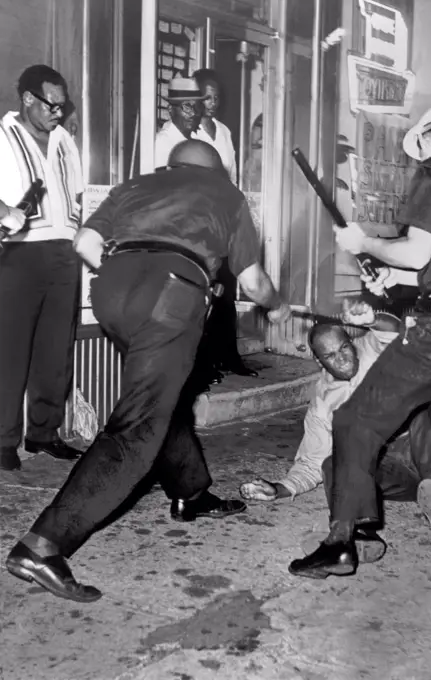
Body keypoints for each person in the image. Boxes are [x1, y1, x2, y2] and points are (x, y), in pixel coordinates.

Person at [5, 139, 291, 603]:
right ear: (216, 171)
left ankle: (191, 492)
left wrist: (129, 277)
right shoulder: (226, 194)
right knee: (138, 425)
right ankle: (44, 545)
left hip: (111, 291)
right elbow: (255, 282)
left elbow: (85, 242)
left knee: (160, 397)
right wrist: (278, 309)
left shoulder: (134, 186)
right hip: (170, 296)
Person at [289, 104, 431, 579]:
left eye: (419, 149)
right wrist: (391, 274)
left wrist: (365, 244)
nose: (418, 158)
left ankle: (343, 541)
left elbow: (419, 250)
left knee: (355, 419)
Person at [240, 308, 431, 558]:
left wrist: (373, 319)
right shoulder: (322, 403)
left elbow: (393, 331)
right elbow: (313, 462)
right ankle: (360, 534)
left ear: (351, 342)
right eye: (331, 355)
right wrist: (279, 489)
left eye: (345, 348)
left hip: (419, 449)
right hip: (394, 472)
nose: (343, 359)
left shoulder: (371, 349)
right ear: (318, 361)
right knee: (333, 462)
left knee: (424, 416)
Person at [0, 65, 83, 472]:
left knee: (55, 351)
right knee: (9, 352)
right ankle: (2, 440)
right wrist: (7, 211)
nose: (58, 112)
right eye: (51, 104)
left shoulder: (65, 140)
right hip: (18, 254)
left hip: (65, 252)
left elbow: (78, 196)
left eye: (63, 106)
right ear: (28, 98)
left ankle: (43, 433)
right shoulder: (2, 136)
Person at [191, 68, 258, 383]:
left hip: (225, 221)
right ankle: (203, 364)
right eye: (206, 96)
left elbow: (229, 177)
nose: (212, 102)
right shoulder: (185, 133)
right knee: (204, 294)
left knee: (227, 292)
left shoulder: (225, 132)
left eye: (216, 97)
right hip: (200, 225)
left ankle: (229, 357)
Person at [154, 76, 205, 169]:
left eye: (197, 106)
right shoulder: (162, 143)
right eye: (186, 107)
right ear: (170, 109)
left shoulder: (198, 138)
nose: (193, 113)